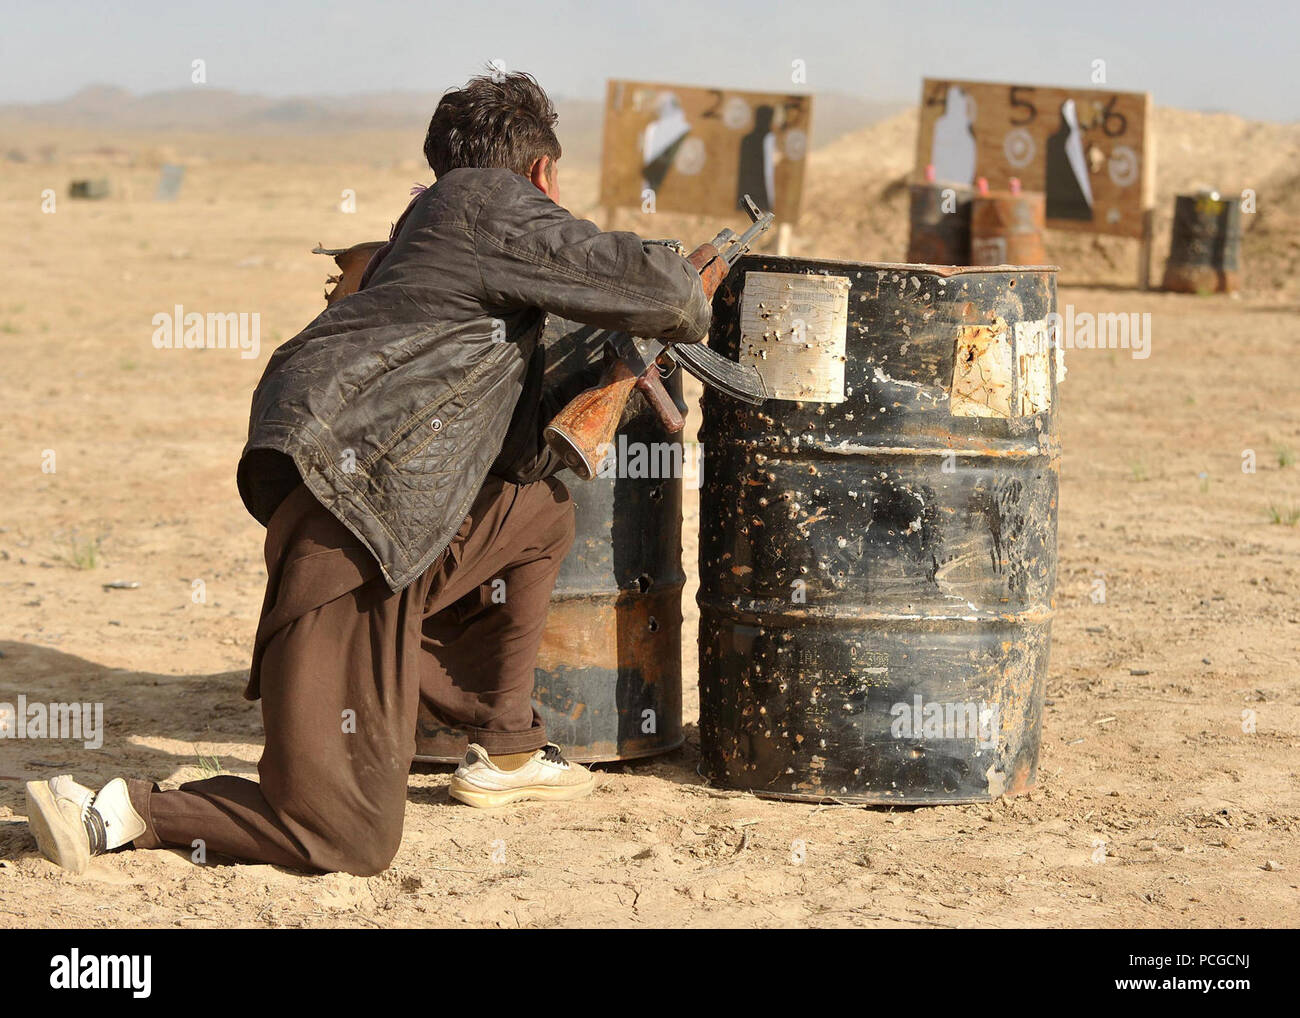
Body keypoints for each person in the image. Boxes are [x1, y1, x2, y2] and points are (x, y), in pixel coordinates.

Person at [25, 70, 711, 877]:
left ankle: (510, 747)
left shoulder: (427, 224)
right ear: (539, 175)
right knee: (345, 836)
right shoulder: (490, 205)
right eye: (551, 184)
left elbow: (520, 452)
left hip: (382, 506)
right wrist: (688, 281)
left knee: (540, 511)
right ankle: (114, 810)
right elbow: (666, 294)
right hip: (354, 526)